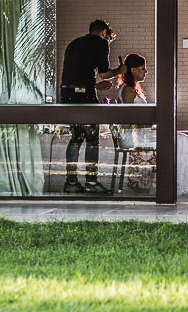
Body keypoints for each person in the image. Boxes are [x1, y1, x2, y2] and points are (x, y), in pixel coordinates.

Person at [60, 19, 125, 193]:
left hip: (68, 95)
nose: (108, 41)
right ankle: (91, 183)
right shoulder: (101, 42)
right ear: (104, 32)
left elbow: (75, 76)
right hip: (85, 97)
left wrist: (94, 86)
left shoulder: (73, 44)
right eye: (109, 37)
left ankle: (71, 182)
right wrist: (120, 70)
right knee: (92, 139)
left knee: (76, 138)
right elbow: (104, 73)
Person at [115, 53, 157, 191]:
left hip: (141, 133)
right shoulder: (127, 90)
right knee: (177, 141)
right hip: (134, 136)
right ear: (133, 69)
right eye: (142, 68)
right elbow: (130, 117)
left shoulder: (132, 88)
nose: (146, 71)